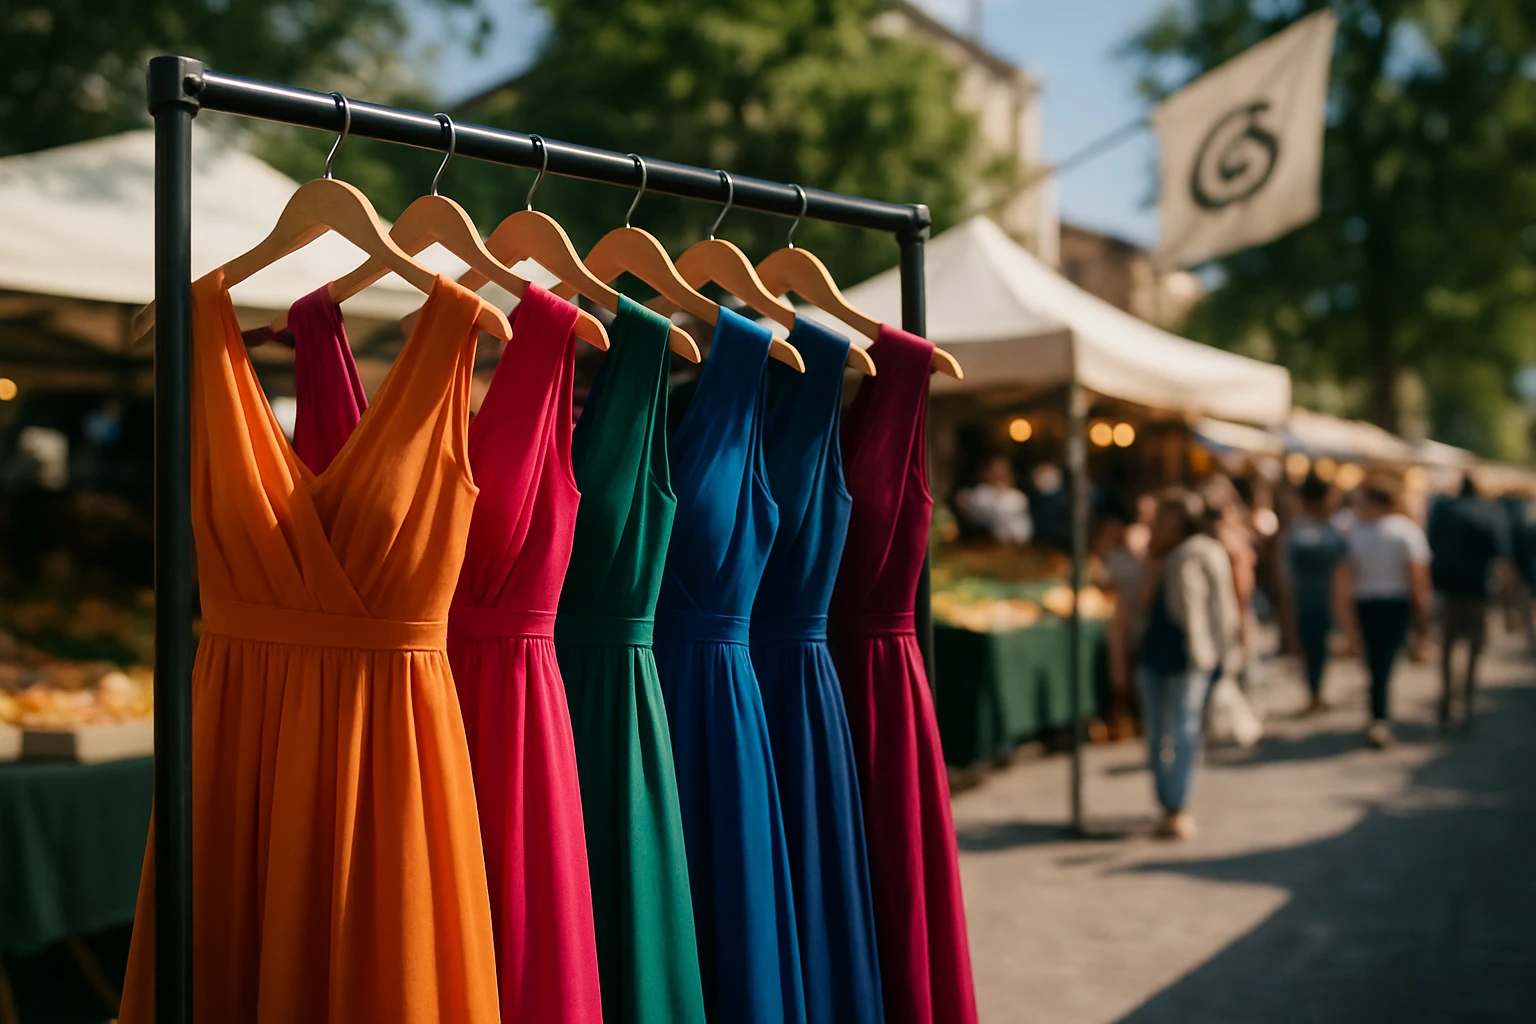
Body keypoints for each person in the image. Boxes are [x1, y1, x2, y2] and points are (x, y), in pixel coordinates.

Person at [1136, 488, 1240, 840]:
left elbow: (1219, 609)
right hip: (1156, 652)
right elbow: (1140, 603)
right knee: (1160, 732)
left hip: (1189, 654)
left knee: (1182, 729)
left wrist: (1225, 653)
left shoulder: (1200, 553)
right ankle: (1167, 802)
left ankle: (1175, 805)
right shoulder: (1155, 557)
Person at [1336, 481, 1431, 748]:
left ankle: (1378, 716)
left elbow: (1344, 578)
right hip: (1392, 604)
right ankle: (1380, 717)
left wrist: (1345, 620)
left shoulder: (1354, 532)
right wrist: (1422, 618)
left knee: (1376, 662)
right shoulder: (1407, 531)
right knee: (1383, 662)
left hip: (1367, 603)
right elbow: (1418, 580)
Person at [1426, 475, 1509, 729]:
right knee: (1474, 647)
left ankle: (1446, 698)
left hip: (1449, 588)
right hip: (1476, 589)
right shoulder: (1488, 512)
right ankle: (1468, 701)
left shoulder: (1445, 511)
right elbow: (1500, 550)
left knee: (1448, 648)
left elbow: (1431, 545)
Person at [1285, 474, 1348, 712]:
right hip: (1314, 601)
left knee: (1317, 650)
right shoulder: (1308, 532)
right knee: (1314, 650)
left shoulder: (1314, 528)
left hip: (1319, 600)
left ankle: (1316, 692)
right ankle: (1315, 692)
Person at [954, 453, 1032, 544]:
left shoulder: (1018, 497)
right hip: (982, 545)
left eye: (1002, 470)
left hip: (1015, 545)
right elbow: (973, 514)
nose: (997, 474)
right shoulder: (981, 492)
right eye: (994, 470)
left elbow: (1004, 516)